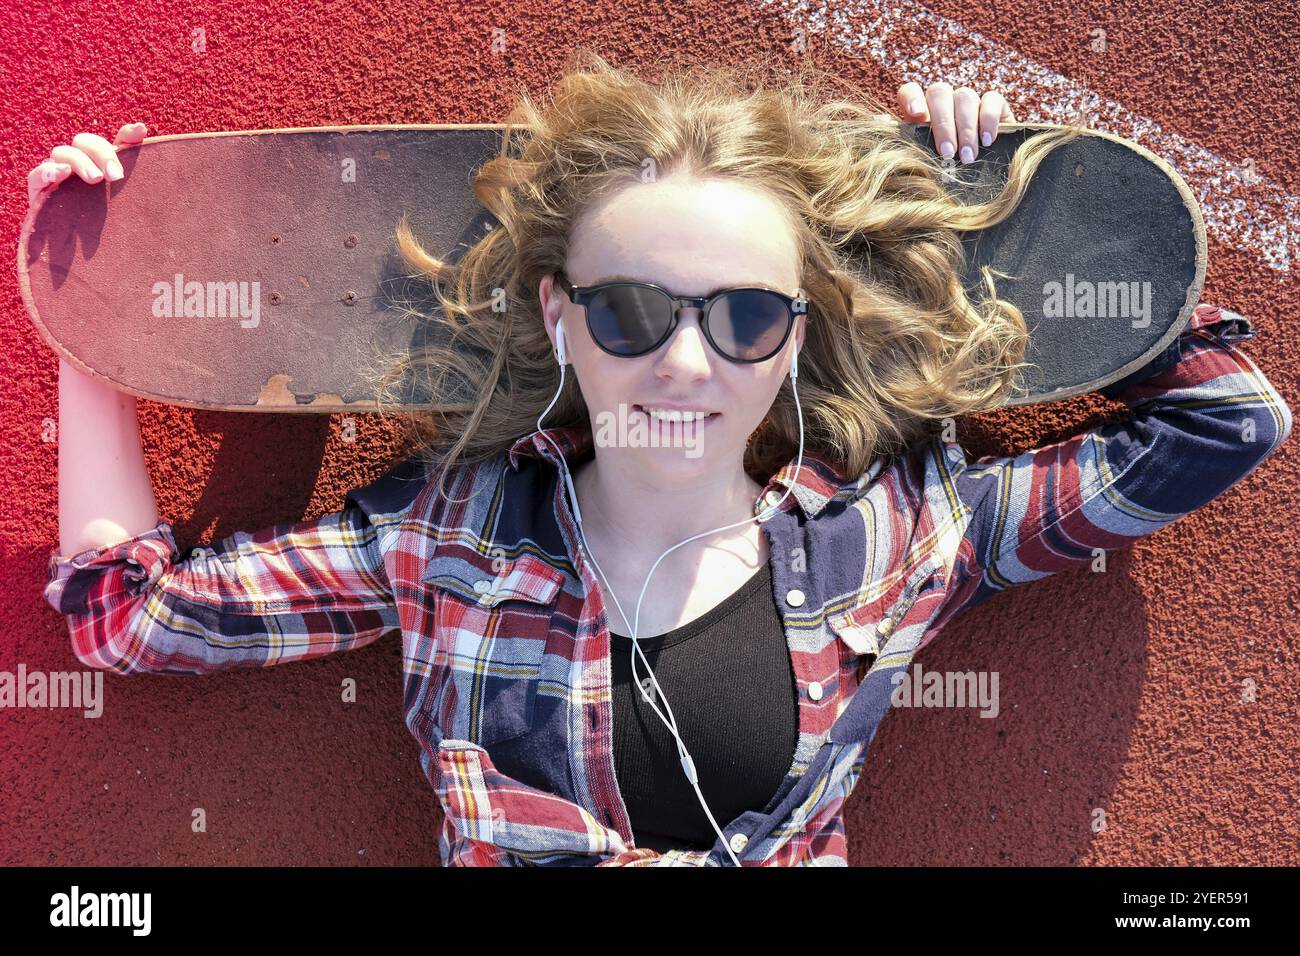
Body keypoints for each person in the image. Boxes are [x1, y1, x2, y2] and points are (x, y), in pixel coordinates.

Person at [38, 51, 1292, 867]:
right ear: (556, 316)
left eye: (745, 315)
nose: (685, 364)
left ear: (796, 334)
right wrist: (98, 319)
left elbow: (1227, 422)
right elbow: (126, 619)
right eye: (632, 311)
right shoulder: (447, 541)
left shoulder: (896, 535)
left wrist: (1012, 244)